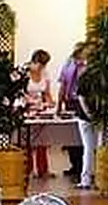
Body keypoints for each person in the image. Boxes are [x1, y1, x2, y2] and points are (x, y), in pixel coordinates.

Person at [56, 42, 95, 189]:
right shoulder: (72, 66)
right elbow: (65, 86)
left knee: (88, 147)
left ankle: (86, 177)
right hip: (82, 108)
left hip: (84, 110)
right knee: (87, 146)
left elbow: (79, 94)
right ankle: (80, 171)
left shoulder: (83, 71)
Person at [24, 49, 54, 178]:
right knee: (27, 141)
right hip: (26, 109)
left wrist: (51, 103)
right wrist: (29, 103)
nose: (42, 68)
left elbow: (46, 93)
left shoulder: (45, 73)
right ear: (34, 61)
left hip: (40, 109)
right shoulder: (24, 73)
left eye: (44, 65)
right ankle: (27, 169)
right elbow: (19, 92)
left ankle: (43, 169)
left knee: (42, 140)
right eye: (41, 64)